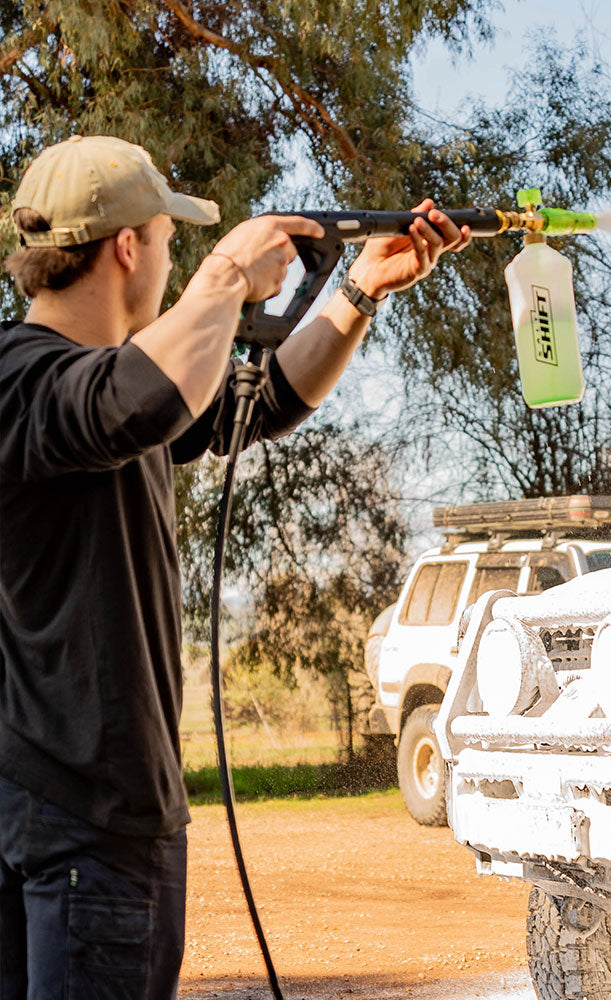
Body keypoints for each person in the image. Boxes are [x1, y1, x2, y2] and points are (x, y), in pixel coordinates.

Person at [0, 134, 470, 998]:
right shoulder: (26, 381)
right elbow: (135, 399)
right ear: (128, 248)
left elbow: (257, 402)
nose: (175, 262)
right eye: (171, 241)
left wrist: (360, 288)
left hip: (67, 818)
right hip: (85, 822)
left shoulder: (109, 385)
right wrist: (223, 279)